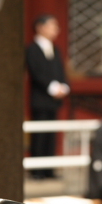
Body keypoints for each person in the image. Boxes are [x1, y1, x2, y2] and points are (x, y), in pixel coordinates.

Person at [25, 14, 69, 179]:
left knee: (51, 135)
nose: (55, 29)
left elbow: (61, 71)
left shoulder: (55, 49)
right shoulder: (32, 49)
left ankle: (49, 169)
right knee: (40, 135)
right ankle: (37, 171)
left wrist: (64, 86)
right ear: (40, 27)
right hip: (40, 98)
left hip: (54, 100)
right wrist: (51, 87)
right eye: (52, 25)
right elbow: (36, 72)